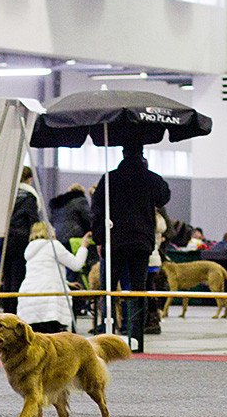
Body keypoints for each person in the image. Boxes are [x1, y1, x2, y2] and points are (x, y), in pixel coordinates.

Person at [90, 142, 171, 341]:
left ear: (123, 154)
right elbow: (163, 198)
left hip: (114, 239)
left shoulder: (109, 178)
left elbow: (97, 210)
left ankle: (106, 329)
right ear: (142, 156)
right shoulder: (151, 178)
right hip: (142, 240)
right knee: (138, 287)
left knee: (108, 287)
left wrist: (99, 239)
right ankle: (135, 334)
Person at [16, 223, 92, 333]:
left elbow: (42, 272)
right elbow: (76, 265)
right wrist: (83, 246)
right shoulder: (53, 245)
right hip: (49, 301)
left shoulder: (29, 249)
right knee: (53, 340)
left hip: (29, 299)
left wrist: (66, 283)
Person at [0, 166, 41, 313]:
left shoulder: (7, 195)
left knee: (7, 278)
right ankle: (15, 314)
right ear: (29, 179)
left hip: (5, 240)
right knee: (18, 279)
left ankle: (6, 312)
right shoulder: (29, 197)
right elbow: (33, 220)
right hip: (21, 241)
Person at [48, 184, 91, 249]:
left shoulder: (58, 203)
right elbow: (87, 219)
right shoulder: (81, 200)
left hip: (58, 237)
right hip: (74, 238)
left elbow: (51, 220)